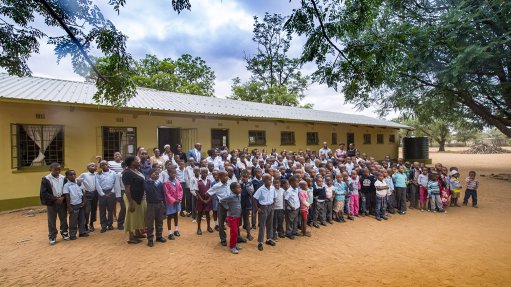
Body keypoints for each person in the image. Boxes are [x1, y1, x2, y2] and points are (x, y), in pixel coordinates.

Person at [40, 163, 69, 245]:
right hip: (52, 202)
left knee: (63, 218)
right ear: (50, 169)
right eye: (55, 169)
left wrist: (62, 197)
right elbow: (44, 193)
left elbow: (66, 189)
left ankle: (64, 232)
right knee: (52, 220)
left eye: (59, 169)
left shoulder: (64, 178)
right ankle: (52, 236)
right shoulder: (46, 179)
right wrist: (55, 199)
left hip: (62, 201)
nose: (57, 171)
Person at [122, 156, 147, 244]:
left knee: (139, 215)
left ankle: (137, 232)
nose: (138, 161)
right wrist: (131, 202)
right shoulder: (127, 173)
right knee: (131, 216)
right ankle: (131, 236)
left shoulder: (137, 171)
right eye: (136, 160)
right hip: (132, 198)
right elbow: (127, 189)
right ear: (132, 162)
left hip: (140, 197)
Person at [252, 173, 277, 251]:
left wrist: (273, 204)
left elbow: (275, 197)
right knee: (262, 226)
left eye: (271, 179)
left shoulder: (272, 188)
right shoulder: (261, 189)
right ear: (264, 181)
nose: (270, 181)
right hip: (263, 208)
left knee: (270, 224)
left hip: (270, 207)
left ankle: (269, 239)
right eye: (268, 179)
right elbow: (254, 199)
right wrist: (257, 208)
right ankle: (260, 242)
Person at [144, 168, 167, 247]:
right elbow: (147, 189)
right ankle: (150, 239)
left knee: (159, 221)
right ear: (150, 174)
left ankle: (159, 236)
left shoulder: (160, 183)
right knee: (150, 223)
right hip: (151, 205)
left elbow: (163, 194)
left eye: (158, 174)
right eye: (155, 173)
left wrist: (164, 203)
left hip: (159, 204)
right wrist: (151, 181)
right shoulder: (147, 182)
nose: (157, 175)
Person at [63, 170, 88, 240]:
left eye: (74, 174)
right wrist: (69, 207)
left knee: (82, 219)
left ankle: (82, 232)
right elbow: (67, 197)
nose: (73, 176)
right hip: (73, 205)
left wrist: (83, 201)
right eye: (71, 175)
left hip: (80, 204)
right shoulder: (66, 186)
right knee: (73, 220)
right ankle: (72, 234)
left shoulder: (78, 183)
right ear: (67, 176)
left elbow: (82, 192)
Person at [207, 171, 230, 246]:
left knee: (232, 222)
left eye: (227, 175)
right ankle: (223, 239)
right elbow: (207, 193)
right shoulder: (217, 186)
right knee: (221, 222)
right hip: (221, 205)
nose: (226, 177)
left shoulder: (229, 184)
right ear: (220, 178)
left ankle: (236, 237)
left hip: (230, 205)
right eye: (224, 176)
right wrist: (216, 197)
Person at [96, 160, 119, 233]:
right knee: (102, 210)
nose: (104, 166)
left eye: (105, 164)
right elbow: (97, 184)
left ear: (108, 165)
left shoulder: (113, 173)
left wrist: (112, 192)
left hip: (111, 192)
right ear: (100, 166)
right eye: (102, 165)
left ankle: (110, 224)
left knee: (110, 209)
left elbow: (115, 183)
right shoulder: (98, 174)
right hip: (102, 193)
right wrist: (102, 194)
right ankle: (103, 225)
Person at [163, 168, 183, 240]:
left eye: (175, 173)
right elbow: (167, 194)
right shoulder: (166, 183)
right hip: (170, 203)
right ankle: (170, 232)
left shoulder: (177, 181)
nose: (174, 174)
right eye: (172, 173)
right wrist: (174, 200)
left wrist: (179, 198)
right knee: (169, 216)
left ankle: (176, 229)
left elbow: (180, 190)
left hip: (177, 201)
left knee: (176, 215)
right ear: (169, 174)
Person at [223, 182, 243, 254]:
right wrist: (227, 207)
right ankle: (232, 247)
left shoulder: (239, 195)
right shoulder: (230, 196)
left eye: (240, 187)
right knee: (233, 232)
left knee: (236, 231)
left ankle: (235, 244)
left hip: (237, 216)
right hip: (232, 217)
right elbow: (222, 200)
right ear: (232, 189)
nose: (240, 189)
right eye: (238, 188)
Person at [79, 163, 98, 232]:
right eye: (92, 166)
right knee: (87, 210)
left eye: (95, 166)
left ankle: (91, 224)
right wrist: (82, 188)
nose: (94, 167)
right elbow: (77, 181)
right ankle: (85, 224)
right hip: (88, 194)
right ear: (88, 168)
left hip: (96, 193)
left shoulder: (97, 174)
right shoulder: (84, 174)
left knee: (94, 210)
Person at [195, 167, 213, 235]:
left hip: (207, 200)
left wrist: (209, 199)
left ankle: (208, 226)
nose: (205, 173)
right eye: (203, 172)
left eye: (206, 172)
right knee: (199, 214)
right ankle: (199, 228)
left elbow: (211, 191)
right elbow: (197, 192)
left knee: (208, 214)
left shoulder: (209, 181)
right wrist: (202, 200)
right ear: (200, 173)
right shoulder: (198, 181)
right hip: (200, 200)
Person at [239, 169, 254, 241]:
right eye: (243, 176)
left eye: (246, 177)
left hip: (246, 204)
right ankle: (238, 235)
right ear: (240, 176)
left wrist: (247, 184)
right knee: (238, 220)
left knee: (247, 220)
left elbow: (251, 192)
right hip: (238, 204)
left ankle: (248, 234)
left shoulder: (250, 183)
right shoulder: (238, 183)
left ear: (248, 177)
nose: (244, 178)